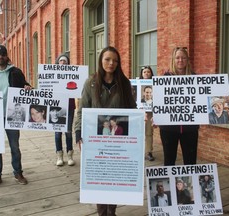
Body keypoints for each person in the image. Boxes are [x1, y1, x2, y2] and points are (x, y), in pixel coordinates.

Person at [74, 46, 136, 216]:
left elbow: (132, 108)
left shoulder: (124, 83)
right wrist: (78, 133)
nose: (111, 63)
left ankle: (112, 211)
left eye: (115, 60)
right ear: (101, 60)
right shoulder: (91, 83)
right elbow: (82, 110)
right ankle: (102, 212)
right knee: (99, 176)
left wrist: (140, 119)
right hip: (96, 137)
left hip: (118, 138)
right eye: (108, 59)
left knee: (114, 176)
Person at [0, 44, 31, 188]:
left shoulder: (16, 72)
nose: (1, 57)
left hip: (13, 115)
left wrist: (27, 87)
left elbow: (25, 85)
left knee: (15, 146)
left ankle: (18, 172)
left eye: (3, 54)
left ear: (6, 56)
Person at [159, 47, 199, 166]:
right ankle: (169, 184)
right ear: (173, 60)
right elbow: (159, 101)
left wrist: (223, 98)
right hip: (168, 128)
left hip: (190, 128)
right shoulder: (165, 78)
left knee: (191, 161)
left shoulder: (195, 78)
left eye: (183, 57)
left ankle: (190, 184)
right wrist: (155, 116)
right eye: (177, 57)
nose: (180, 60)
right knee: (169, 160)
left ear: (187, 60)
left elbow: (205, 97)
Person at [54, 53, 76, 166]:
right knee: (57, 132)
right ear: (57, 63)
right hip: (56, 107)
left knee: (68, 132)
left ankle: (70, 155)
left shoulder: (73, 74)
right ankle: (59, 156)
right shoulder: (52, 75)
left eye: (65, 61)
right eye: (61, 61)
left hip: (69, 106)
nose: (63, 62)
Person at [140, 66, 155, 161]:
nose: (146, 73)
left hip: (150, 113)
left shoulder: (155, 84)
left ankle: (148, 152)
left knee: (149, 133)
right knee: (138, 133)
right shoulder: (137, 84)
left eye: (148, 72)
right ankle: (138, 151)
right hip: (139, 112)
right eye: (144, 72)